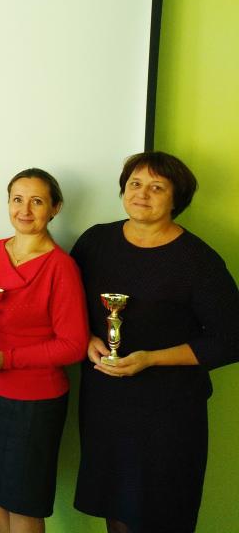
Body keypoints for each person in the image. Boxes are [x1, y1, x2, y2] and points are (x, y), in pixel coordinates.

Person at [72, 151, 239, 533]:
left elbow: (232, 339)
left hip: (169, 412)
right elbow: (65, 304)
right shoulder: (95, 242)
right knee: (115, 506)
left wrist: (151, 359)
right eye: (135, 183)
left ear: (176, 199)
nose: (142, 194)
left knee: (160, 512)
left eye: (157, 187)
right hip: (106, 404)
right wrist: (86, 338)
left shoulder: (198, 260)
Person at [0, 169, 88, 533]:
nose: (25, 210)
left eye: (37, 201)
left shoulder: (61, 267)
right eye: (17, 199)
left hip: (34, 403)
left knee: (22, 501)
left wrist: (9, 359)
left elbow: (74, 344)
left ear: (55, 208)